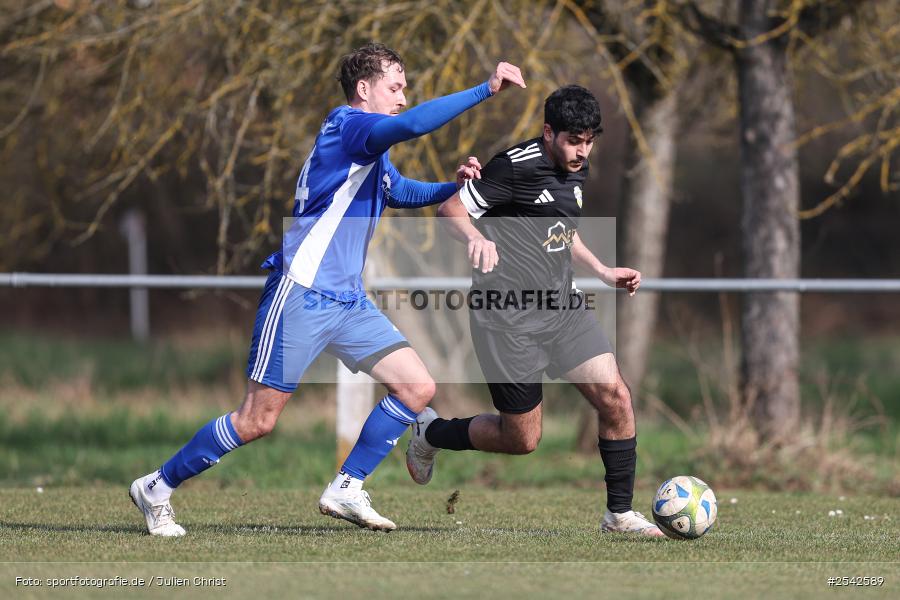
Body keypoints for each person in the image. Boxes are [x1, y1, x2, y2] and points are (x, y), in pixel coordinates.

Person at [129, 42, 525, 535]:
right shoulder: (350, 127)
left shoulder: (367, 150)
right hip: (302, 294)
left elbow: (400, 192)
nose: (403, 98)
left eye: (405, 89)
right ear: (364, 89)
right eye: (395, 87)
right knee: (257, 420)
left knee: (417, 387)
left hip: (346, 300)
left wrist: (458, 188)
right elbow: (412, 126)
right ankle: (156, 487)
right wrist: (484, 90)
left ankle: (347, 487)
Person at [408, 84, 663, 536]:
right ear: (548, 132)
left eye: (589, 141)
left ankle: (619, 514)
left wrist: (601, 271)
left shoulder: (575, 168)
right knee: (521, 439)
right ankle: (431, 434)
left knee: (617, 398)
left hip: (562, 308)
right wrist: (477, 239)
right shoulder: (513, 167)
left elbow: (560, 230)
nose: (582, 151)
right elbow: (450, 210)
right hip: (507, 319)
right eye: (573, 141)